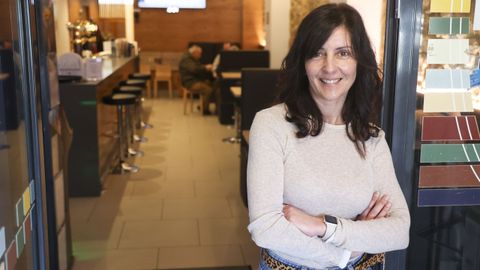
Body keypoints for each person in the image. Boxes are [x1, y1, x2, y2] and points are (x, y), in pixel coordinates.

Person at [246, 3, 410, 270]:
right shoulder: (271, 125)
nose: (329, 67)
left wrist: (322, 226)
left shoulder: (371, 137)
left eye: (343, 53)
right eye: (317, 54)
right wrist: (345, 254)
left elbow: (399, 231)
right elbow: (265, 227)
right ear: (303, 62)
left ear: (359, 61)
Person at [179, 45, 214, 115]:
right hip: (190, 83)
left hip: (193, 80)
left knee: (211, 84)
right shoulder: (187, 59)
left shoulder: (190, 58)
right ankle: (204, 109)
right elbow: (194, 69)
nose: (200, 56)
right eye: (199, 54)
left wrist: (205, 67)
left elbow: (196, 68)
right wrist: (206, 67)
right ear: (194, 53)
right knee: (208, 90)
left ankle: (202, 105)